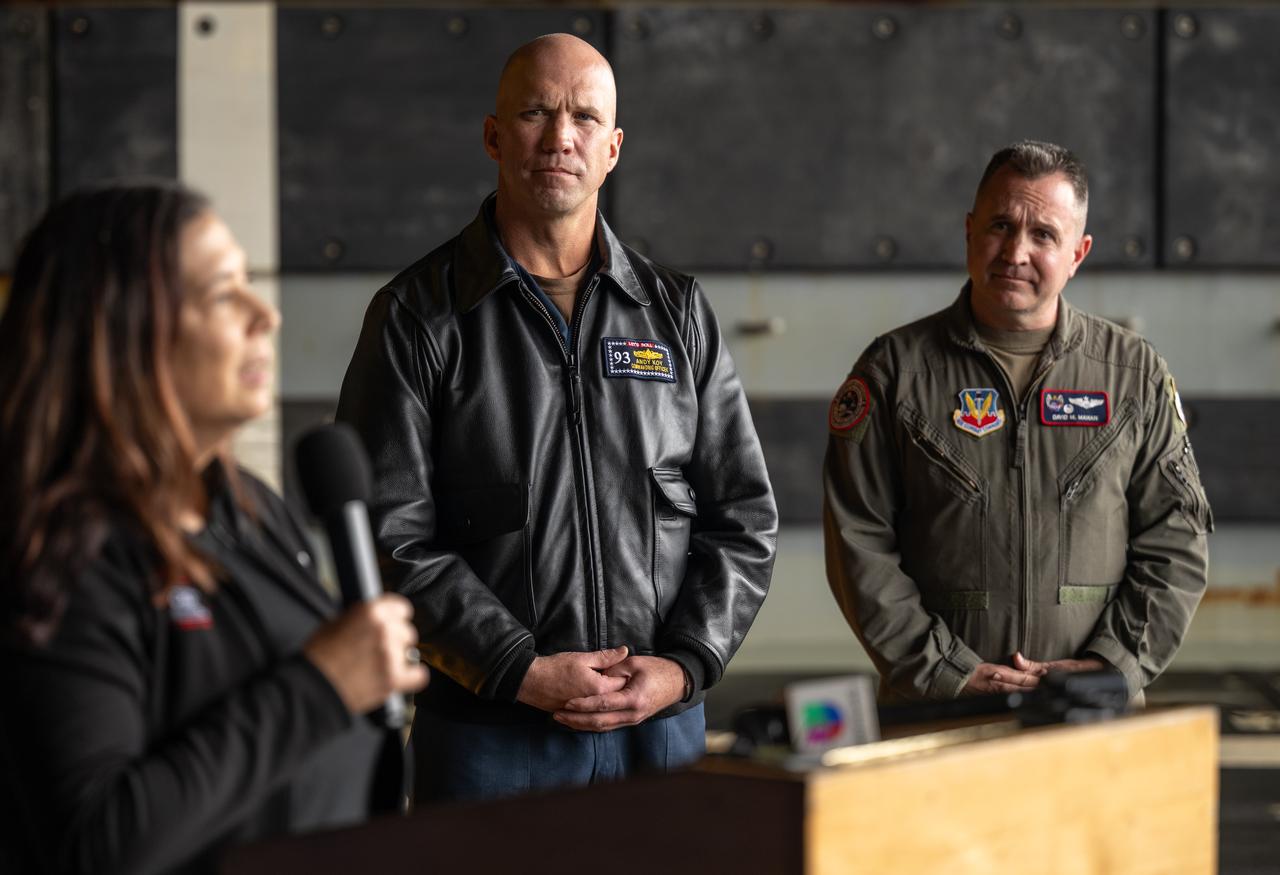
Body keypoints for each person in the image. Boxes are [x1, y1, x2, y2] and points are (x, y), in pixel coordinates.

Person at [337, 33, 776, 802]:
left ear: (612, 148)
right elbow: (389, 535)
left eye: (583, 117)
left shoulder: (676, 315)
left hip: (662, 727)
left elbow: (743, 516)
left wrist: (684, 663)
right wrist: (517, 667)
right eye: (536, 112)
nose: (559, 136)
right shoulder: (418, 316)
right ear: (493, 135)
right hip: (490, 732)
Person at [0, 183, 429, 875]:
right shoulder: (62, 550)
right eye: (225, 293)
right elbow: (93, 843)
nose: (267, 315)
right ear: (127, 326)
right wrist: (320, 685)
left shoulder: (248, 506)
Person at [823, 140, 1211, 704]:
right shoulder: (894, 372)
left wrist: (1111, 664)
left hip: (1090, 712)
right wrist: (943, 671)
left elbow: (1177, 535)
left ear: (1078, 253)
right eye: (1000, 225)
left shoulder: (1133, 374)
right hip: (939, 713)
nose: (1015, 251)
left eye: (1044, 235)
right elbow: (857, 538)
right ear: (968, 232)